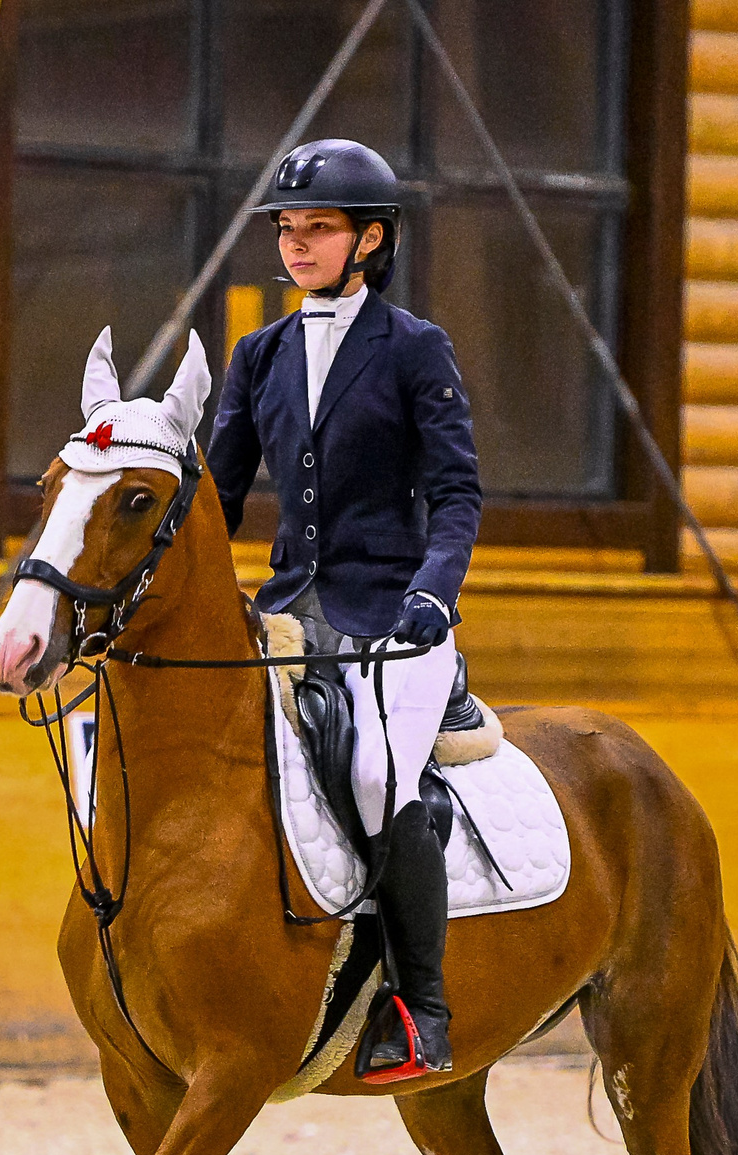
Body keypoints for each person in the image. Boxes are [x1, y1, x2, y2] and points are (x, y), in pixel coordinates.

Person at [205, 137, 482, 1083]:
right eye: (287, 229)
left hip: (392, 615)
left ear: (370, 239)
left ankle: (421, 1011)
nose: (296, 244)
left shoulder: (414, 349)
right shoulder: (260, 353)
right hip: (289, 611)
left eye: (317, 228)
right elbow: (217, 499)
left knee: (373, 776)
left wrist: (430, 596)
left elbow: (456, 495)